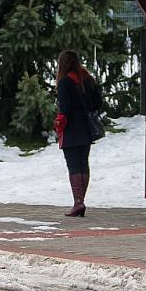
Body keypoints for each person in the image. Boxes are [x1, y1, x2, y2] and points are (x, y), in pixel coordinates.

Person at [54, 50, 103, 217]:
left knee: (74, 166)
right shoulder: (87, 79)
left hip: (71, 130)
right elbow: (98, 102)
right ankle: (80, 201)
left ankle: (78, 203)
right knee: (83, 164)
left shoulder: (64, 82)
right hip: (87, 129)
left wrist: (59, 125)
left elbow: (64, 110)